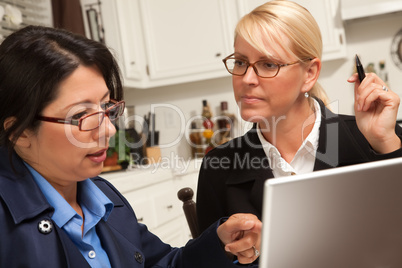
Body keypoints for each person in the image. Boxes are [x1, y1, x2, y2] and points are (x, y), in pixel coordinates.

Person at [0, 25, 262, 267]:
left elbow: (162, 263)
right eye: (81, 116)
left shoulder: (104, 199)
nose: (110, 130)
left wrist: (219, 244)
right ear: (19, 131)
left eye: (105, 108)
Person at [196, 0, 402, 234]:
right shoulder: (217, 167)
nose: (247, 79)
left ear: (309, 73)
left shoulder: (375, 141)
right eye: (241, 62)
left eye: (268, 64)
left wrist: (387, 143)